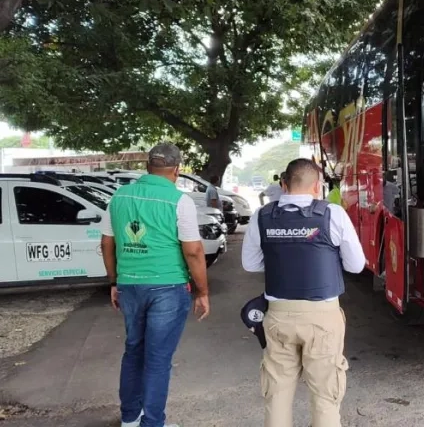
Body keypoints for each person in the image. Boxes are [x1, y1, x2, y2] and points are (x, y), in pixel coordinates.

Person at [241, 158, 365, 427]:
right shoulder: (332, 214)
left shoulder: (262, 216)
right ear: (317, 186)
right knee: (325, 395)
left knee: (277, 394)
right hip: (323, 319)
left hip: (278, 318)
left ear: (283, 184)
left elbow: (250, 264)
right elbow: (356, 265)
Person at [101, 143, 211, 427]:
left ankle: (129, 419)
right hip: (168, 287)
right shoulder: (178, 200)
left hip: (130, 285)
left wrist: (114, 282)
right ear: (177, 170)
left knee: (134, 350)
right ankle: (152, 423)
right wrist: (202, 291)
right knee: (158, 359)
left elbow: (107, 243)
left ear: (147, 167)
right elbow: (194, 251)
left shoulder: (119, 197)